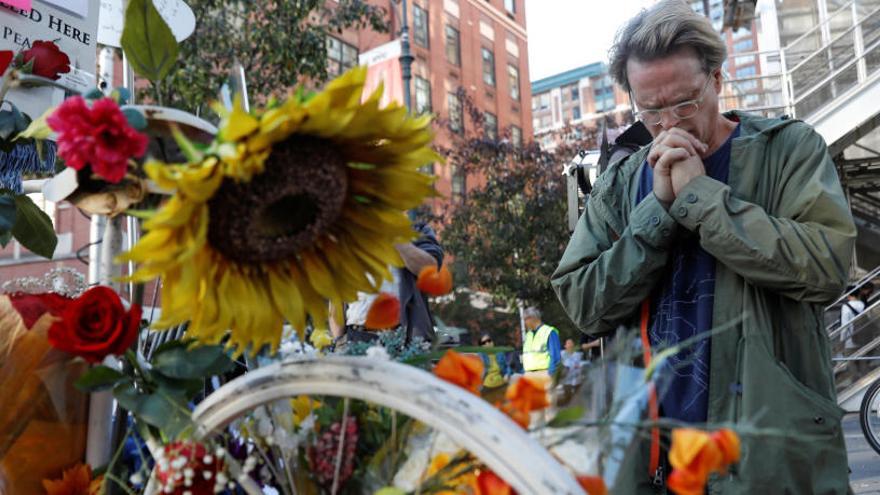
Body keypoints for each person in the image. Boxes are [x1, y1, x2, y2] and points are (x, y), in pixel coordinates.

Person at [550, 1, 856, 492]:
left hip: (767, 458)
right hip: (653, 464)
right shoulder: (621, 184)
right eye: (650, 109)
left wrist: (701, 199)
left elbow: (825, 265)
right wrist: (658, 211)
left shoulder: (789, 149)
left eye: (686, 102)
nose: (670, 122)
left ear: (717, 80)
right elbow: (584, 304)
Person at [330, 221, 443, 345]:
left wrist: (395, 236)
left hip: (402, 338)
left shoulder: (415, 230)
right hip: (357, 337)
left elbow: (429, 269)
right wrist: (338, 340)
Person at [521, 307, 562, 379]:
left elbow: (555, 356)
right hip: (529, 375)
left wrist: (551, 375)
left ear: (533, 318)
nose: (525, 323)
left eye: (525, 319)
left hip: (544, 374)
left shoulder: (549, 331)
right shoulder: (528, 335)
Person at [478, 334, 510, 402]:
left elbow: (507, 367)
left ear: (493, 342)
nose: (487, 343)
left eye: (489, 341)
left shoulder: (500, 353)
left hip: (501, 385)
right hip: (486, 388)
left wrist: (507, 374)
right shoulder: (480, 355)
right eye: (484, 343)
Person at [560, 338, 584, 405]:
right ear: (565, 346)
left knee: (577, 397)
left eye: (571, 342)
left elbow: (581, 364)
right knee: (567, 396)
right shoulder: (562, 354)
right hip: (566, 379)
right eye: (568, 343)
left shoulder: (578, 354)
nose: (570, 344)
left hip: (577, 378)